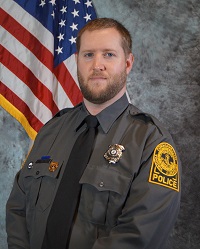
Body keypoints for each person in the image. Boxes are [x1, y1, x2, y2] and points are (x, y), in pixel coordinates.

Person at [6, 18, 181, 249]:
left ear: (128, 63)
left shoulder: (151, 142)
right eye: (88, 55)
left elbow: (139, 237)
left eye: (108, 54)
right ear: (77, 61)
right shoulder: (51, 131)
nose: (97, 64)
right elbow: (18, 209)